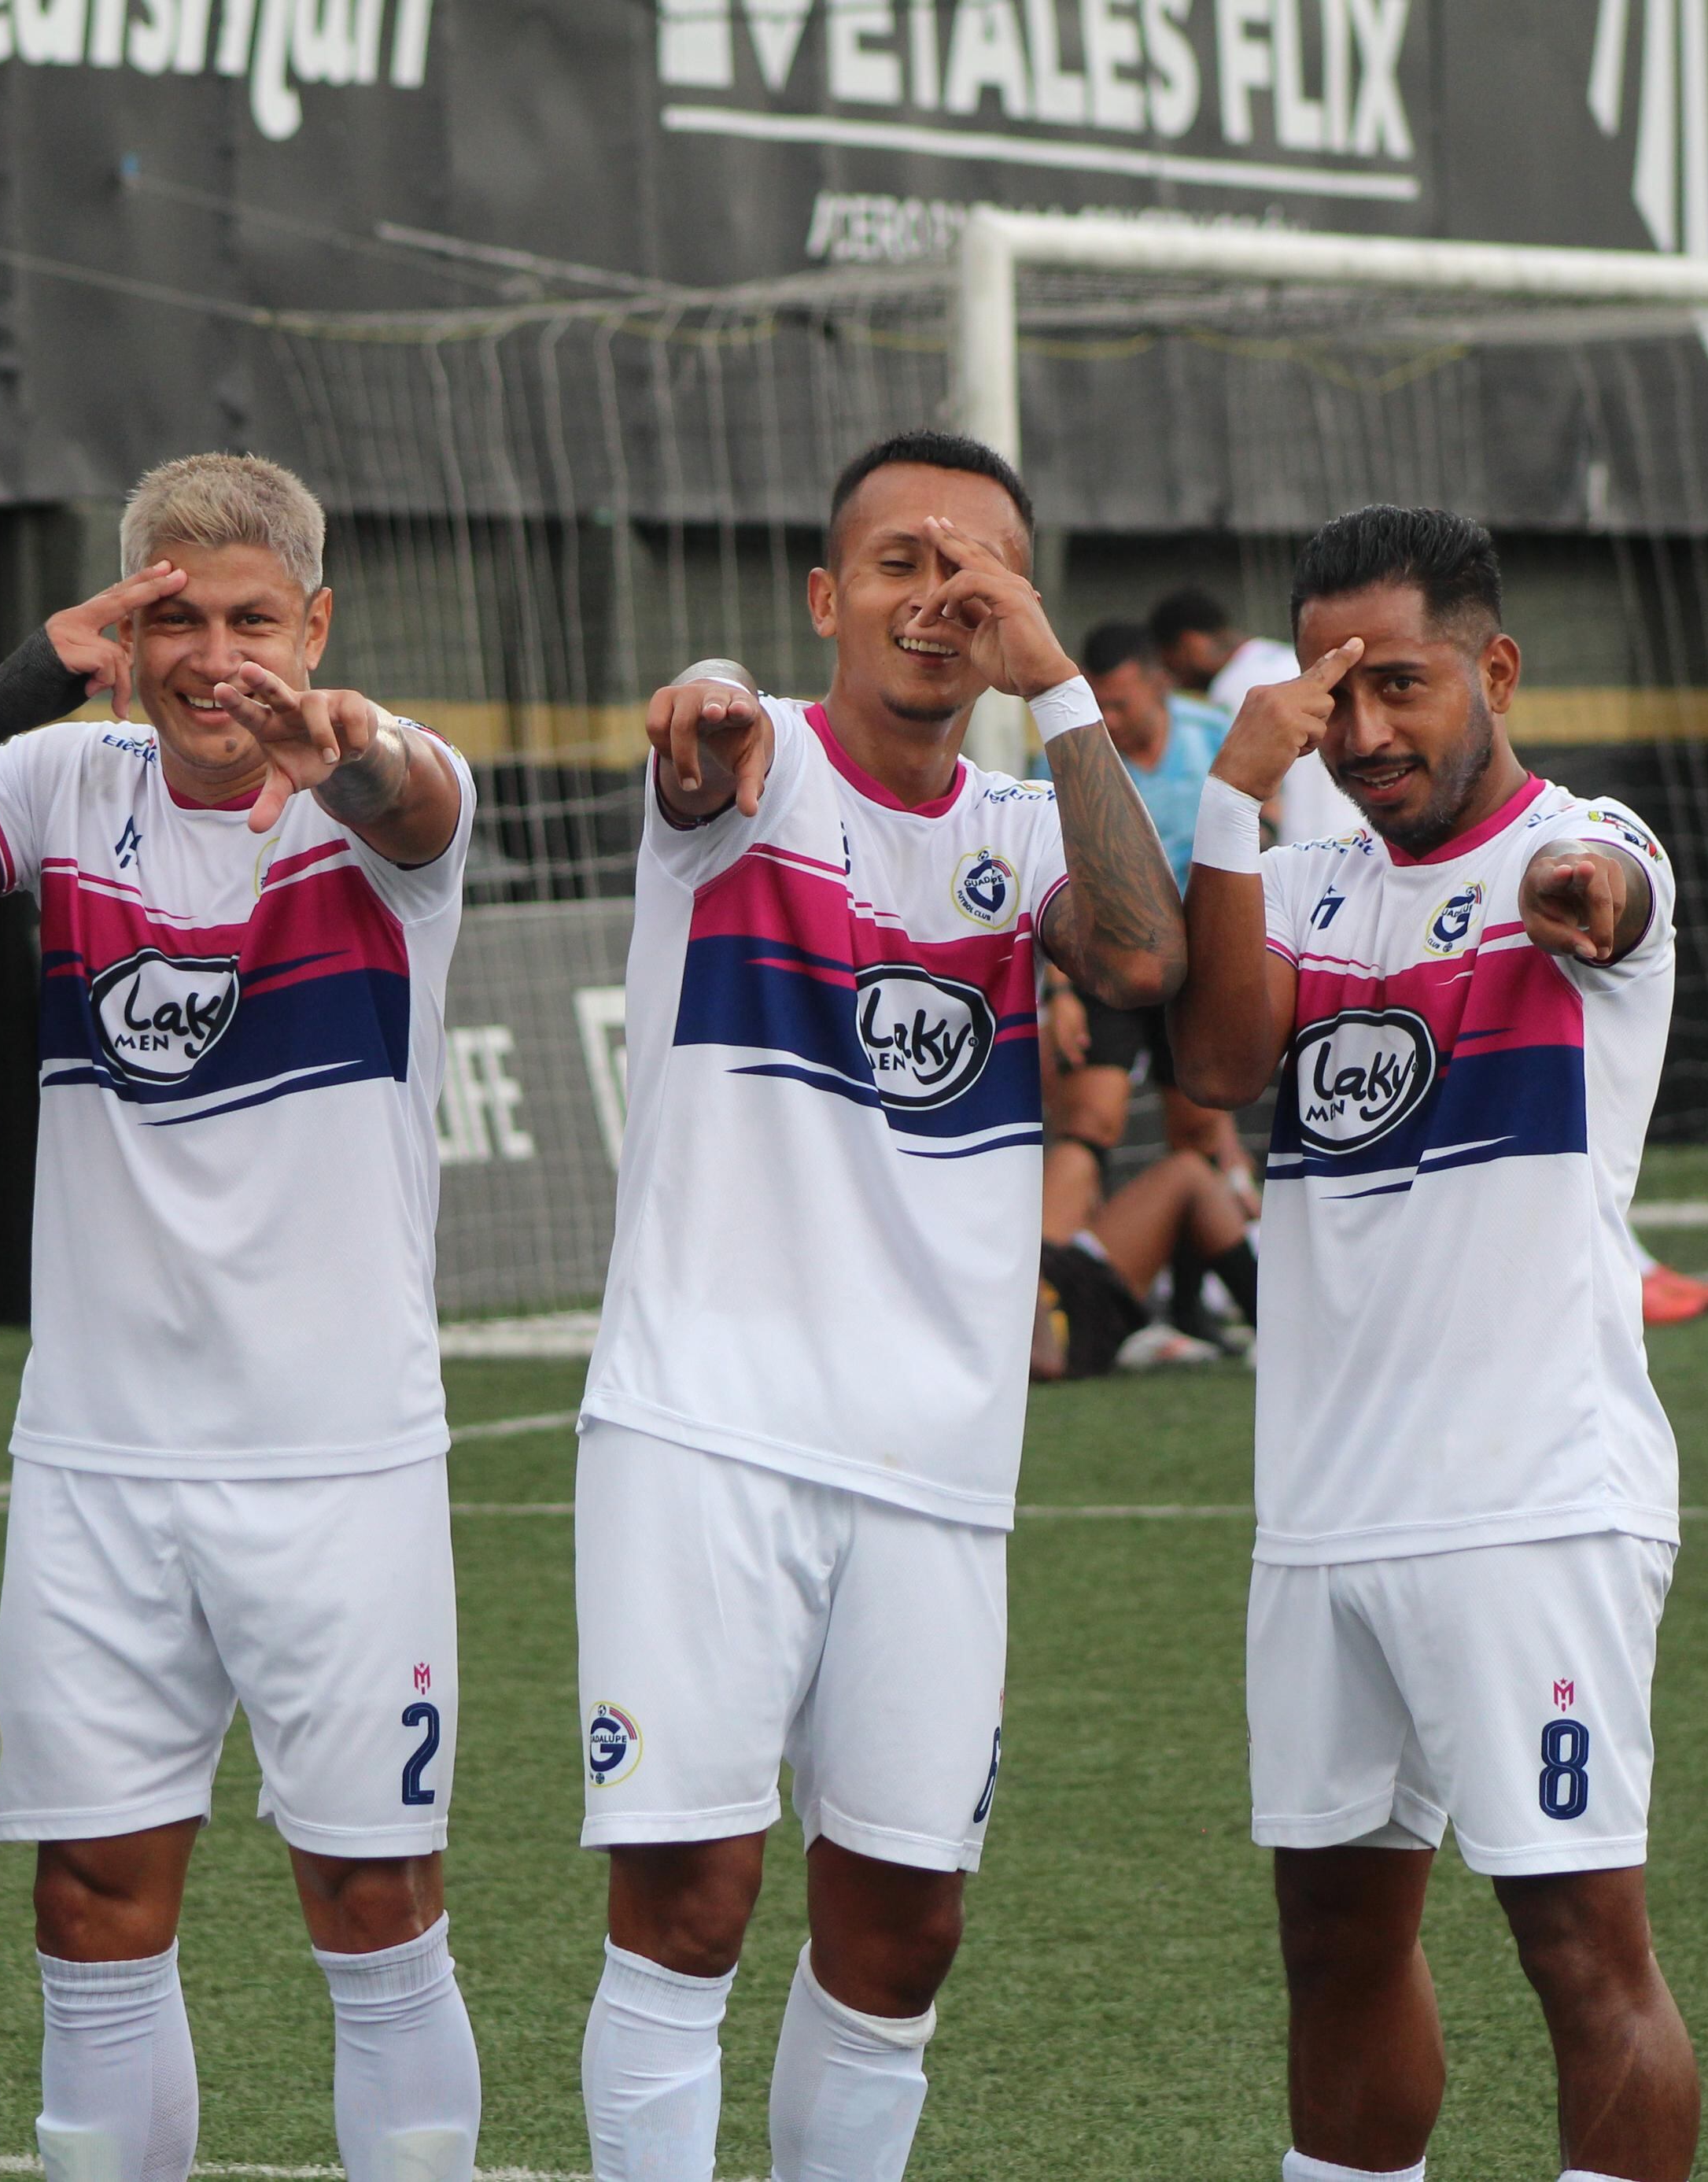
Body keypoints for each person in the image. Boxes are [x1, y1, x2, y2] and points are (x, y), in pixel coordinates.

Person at [573, 430, 1188, 2182]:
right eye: (902, 566)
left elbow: (1144, 963)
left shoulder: (1021, 830)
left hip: (935, 1460)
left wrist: (1060, 682)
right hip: (707, 1430)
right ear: (829, 600)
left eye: (978, 570)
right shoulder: (749, 773)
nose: (942, 599)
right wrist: (703, 715)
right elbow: (701, 737)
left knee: (905, 1926)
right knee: (690, 1899)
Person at [0, 453, 483, 2182]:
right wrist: (22, 683)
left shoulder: (382, 799)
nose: (220, 660)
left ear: (317, 623)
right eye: (176, 621)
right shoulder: (62, 776)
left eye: (255, 622)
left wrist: (337, 745)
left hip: (339, 1461)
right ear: (124, 637)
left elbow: (419, 800)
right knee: (89, 1900)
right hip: (100, 1466)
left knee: (371, 1898)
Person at [1171, 504, 1701, 2182]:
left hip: (1529, 1504)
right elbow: (1215, 1059)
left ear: (1494, 667)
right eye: (1334, 697)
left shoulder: (1591, 836)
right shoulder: (1304, 878)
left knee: (1576, 1954)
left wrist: (1574, 895)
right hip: (1323, 1515)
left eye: (1400, 685)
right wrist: (1237, 796)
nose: (1369, 733)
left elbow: (1603, 894)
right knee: (1332, 1946)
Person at [1036, 622, 1252, 1244]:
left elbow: (1262, 837)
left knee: (1200, 1132)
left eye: (1119, 702)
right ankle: (1047, 1296)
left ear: (1158, 686)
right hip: (1105, 958)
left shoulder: (1217, 735)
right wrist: (1061, 993)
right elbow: (1055, 876)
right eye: (1096, 701)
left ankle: (1188, 1310)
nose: (1107, 716)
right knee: (1093, 1119)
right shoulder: (1069, 755)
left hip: (1199, 961)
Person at [1155, 583, 1364, 846]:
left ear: (1189, 645)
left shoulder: (1235, 688)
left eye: (1171, 664)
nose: (1176, 680)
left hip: (1307, 841)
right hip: (1358, 827)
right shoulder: (1287, 657)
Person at [1033, 1145, 1263, 1380]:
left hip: (1044, 1277)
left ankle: (1189, 1317)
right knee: (1190, 1173)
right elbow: (1047, 1361)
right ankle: (1274, 1334)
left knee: (1075, 1157)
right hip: (1057, 1317)